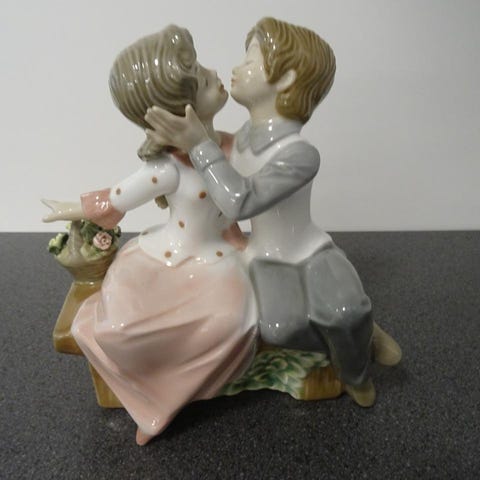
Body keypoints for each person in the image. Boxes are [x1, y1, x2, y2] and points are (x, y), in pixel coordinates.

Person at [144, 17, 402, 407]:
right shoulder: (240, 138)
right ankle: (353, 336)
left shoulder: (299, 154)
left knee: (344, 310)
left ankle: (356, 365)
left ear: (285, 80)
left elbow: (240, 200)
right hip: (265, 253)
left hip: (308, 249)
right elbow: (207, 161)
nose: (237, 68)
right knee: (279, 327)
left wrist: (198, 145)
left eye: (251, 61)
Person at [43, 25, 257, 445]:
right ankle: (139, 394)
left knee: (232, 323)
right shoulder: (167, 168)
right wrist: (69, 208)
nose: (215, 74)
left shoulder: (236, 150)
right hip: (159, 257)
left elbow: (255, 197)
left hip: (217, 262)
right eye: (201, 79)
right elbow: (117, 198)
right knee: (119, 326)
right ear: (176, 113)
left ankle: (163, 402)